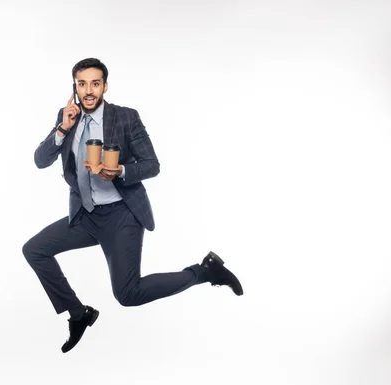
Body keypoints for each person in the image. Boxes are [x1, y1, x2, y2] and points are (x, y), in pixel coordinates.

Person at [22, 58, 243, 353]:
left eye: (95, 83)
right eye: (82, 83)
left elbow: (152, 165)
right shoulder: (67, 118)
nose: (88, 90)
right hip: (86, 215)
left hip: (121, 215)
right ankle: (78, 314)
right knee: (34, 249)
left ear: (105, 86)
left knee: (128, 294)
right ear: (74, 87)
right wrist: (62, 129)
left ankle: (204, 271)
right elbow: (40, 160)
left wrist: (121, 171)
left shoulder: (125, 118)